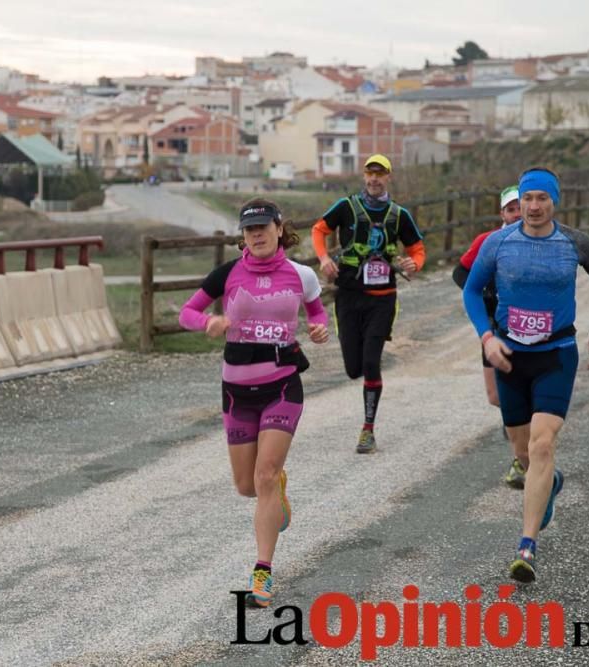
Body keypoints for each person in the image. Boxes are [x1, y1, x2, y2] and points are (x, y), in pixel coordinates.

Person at [462, 167, 589, 583]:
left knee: (543, 442)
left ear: (554, 202)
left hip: (556, 354)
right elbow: (471, 290)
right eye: (527, 198)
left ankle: (526, 546)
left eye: (541, 199)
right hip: (511, 356)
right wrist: (487, 337)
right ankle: (549, 482)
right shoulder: (498, 243)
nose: (533, 206)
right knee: (524, 452)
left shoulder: (574, 243)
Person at [179, 199, 330, 608]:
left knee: (264, 474)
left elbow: (317, 314)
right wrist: (207, 322)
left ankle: (262, 573)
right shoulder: (228, 274)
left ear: (280, 229)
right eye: (249, 230)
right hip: (236, 393)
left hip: (282, 387)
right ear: (242, 236)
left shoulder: (301, 275)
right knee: (247, 486)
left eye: (264, 227)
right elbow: (186, 312)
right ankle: (276, 488)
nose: (257, 235)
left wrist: (319, 329)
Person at [311, 154, 425, 454]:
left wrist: (414, 264)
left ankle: (368, 430)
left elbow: (417, 249)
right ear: (364, 176)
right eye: (370, 174)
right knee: (353, 368)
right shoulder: (347, 207)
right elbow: (319, 230)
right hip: (348, 296)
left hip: (383, 299)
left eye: (380, 174)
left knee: (371, 362)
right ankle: (366, 383)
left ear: (388, 177)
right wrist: (323, 258)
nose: (375, 179)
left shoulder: (399, 215)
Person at [452, 184, 527, 488]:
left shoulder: (538, 242)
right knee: (496, 396)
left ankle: (521, 460)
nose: (517, 213)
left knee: (520, 393)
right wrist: (484, 293)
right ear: (502, 213)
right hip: (494, 329)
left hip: (525, 328)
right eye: (511, 209)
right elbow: (460, 273)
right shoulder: (487, 241)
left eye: (520, 207)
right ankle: (519, 426)